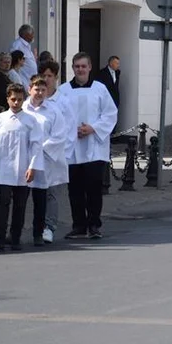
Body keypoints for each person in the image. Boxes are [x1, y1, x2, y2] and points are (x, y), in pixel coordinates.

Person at [56, 52, 117, 240]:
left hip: (94, 147)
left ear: (90, 67)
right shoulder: (64, 90)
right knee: (74, 189)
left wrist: (93, 128)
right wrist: (71, 130)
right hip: (72, 147)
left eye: (83, 66)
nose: (80, 70)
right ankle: (78, 226)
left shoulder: (100, 89)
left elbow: (110, 113)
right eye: (77, 67)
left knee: (93, 188)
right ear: (73, 68)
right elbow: (58, 116)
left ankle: (94, 224)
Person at [0, 83, 44, 251]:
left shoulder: (30, 120)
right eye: (13, 99)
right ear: (7, 99)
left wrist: (33, 166)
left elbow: (36, 145)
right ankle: (0, 237)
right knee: (3, 201)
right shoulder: (0, 119)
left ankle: (15, 238)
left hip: (23, 168)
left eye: (20, 100)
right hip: (4, 168)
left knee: (20, 205)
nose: (16, 103)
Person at [23, 74, 68, 246]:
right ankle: (16, 230)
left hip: (47, 160)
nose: (40, 93)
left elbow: (59, 135)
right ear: (30, 89)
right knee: (21, 196)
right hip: (25, 160)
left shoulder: (53, 110)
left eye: (43, 89)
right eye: (37, 89)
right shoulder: (23, 108)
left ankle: (46, 228)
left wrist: (40, 151)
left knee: (46, 196)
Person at [34, 60, 73, 241]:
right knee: (33, 194)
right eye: (43, 76)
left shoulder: (62, 102)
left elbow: (68, 131)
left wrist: (55, 151)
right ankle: (35, 226)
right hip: (33, 157)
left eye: (50, 76)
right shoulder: (31, 102)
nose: (47, 80)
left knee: (51, 192)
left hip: (54, 156)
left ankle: (49, 226)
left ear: (56, 78)